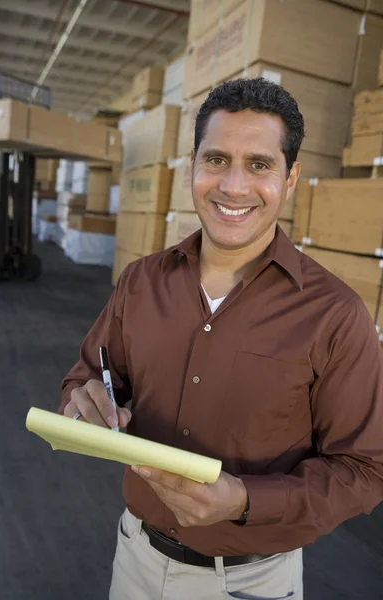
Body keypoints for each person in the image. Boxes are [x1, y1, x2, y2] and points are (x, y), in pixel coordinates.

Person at [58, 77, 383, 600]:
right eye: (216, 160)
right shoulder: (141, 281)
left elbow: (365, 469)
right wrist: (83, 403)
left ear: (291, 176)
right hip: (136, 556)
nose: (233, 186)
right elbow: (88, 373)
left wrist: (244, 500)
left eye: (259, 164)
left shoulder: (335, 315)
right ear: (193, 165)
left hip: (250, 582)